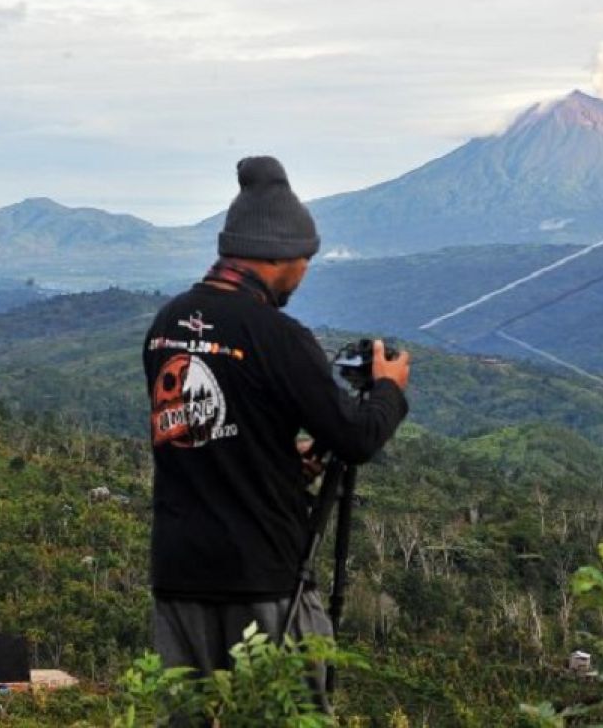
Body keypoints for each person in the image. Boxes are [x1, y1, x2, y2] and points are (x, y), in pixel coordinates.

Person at [141, 156, 410, 705]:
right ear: (280, 256)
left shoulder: (167, 324)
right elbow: (356, 438)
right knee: (285, 715)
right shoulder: (276, 335)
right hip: (260, 576)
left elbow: (205, 427)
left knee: (188, 717)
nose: (305, 272)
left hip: (179, 573)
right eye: (306, 260)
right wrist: (389, 390)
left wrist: (285, 460)